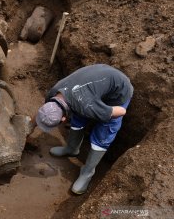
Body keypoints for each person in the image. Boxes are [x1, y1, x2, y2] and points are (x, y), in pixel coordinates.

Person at [33, 64, 133, 194]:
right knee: (78, 115)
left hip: (119, 91)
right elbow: (45, 112)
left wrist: (103, 113)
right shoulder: (53, 93)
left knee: (104, 131)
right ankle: (72, 149)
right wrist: (31, 125)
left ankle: (87, 173)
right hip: (96, 81)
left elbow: (120, 111)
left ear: (63, 120)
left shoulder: (86, 105)